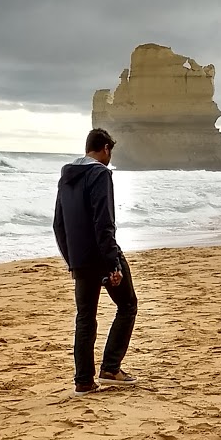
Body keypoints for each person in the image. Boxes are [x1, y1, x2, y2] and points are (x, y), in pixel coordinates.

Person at [53, 128, 138, 394]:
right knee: (127, 305)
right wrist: (113, 263)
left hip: (79, 259)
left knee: (85, 317)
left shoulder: (66, 177)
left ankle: (84, 382)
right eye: (109, 152)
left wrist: (72, 261)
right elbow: (104, 221)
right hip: (102, 255)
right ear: (105, 149)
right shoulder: (101, 174)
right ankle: (111, 368)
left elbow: (58, 225)